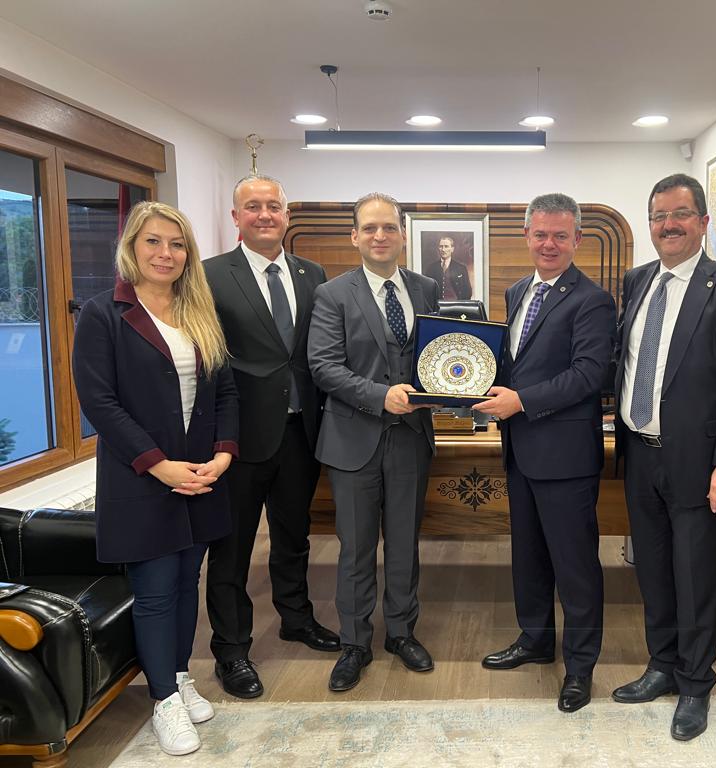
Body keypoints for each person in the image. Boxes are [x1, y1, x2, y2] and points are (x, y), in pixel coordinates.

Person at [73, 201, 238, 756]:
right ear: (131, 247)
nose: (166, 253)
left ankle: (179, 674)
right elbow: (99, 402)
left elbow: (226, 392)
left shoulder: (200, 311)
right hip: (142, 477)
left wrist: (223, 453)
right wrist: (158, 465)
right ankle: (163, 698)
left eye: (177, 243)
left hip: (200, 474)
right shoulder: (103, 314)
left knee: (188, 580)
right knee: (155, 590)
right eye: (153, 241)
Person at [611, 173, 716, 740]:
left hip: (703, 467)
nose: (668, 225)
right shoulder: (637, 281)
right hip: (640, 455)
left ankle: (696, 685)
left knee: (697, 579)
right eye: (658, 216)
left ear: (703, 222)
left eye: (679, 214)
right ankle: (662, 666)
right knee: (653, 571)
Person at [475, 193, 615, 713]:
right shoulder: (517, 291)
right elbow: (516, 364)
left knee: (575, 567)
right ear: (526, 237)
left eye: (560, 235)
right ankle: (535, 639)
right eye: (540, 234)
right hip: (521, 451)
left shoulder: (593, 300)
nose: (549, 244)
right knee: (528, 557)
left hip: (567, 457)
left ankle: (580, 667)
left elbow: (589, 374)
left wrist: (520, 401)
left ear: (577, 239)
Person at [203, 174, 337, 700]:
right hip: (237, 440)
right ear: (236, 217)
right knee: (232, 548)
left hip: (301, 431)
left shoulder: (312, 273)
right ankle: (231, 650)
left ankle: (296, 619)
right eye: (253, 206)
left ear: (287, 215)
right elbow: (208, 362)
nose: (264, 215)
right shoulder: (210, 275)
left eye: (273, 206)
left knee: (293, 536)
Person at [308, 192, 441, 692]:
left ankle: (402, 633)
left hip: (410, 439)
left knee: (405, 544)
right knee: (356, 549)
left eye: (389, 227)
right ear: (355, 236)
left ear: (403, 234)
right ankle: (355, 644)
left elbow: (435, 355)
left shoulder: (426, 288)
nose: (380, 236)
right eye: (370, 228)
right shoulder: (332, 294)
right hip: (352, 440)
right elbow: (323, 366)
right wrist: (380, 396)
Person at [422, 235, 472, 300]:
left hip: (456, 304)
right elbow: (426, 290)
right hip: (437, 304)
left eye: (446, 246)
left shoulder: (461, 268)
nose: (443, 249)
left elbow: (468, 292)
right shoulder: (431, 268)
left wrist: (459, 304)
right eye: (441, 246)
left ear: (452, 249)